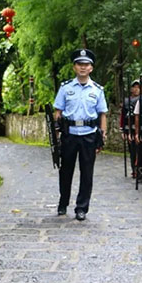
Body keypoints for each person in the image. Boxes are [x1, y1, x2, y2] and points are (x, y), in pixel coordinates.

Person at [54, 48, 108, 221]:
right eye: (80, 64)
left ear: (91, 68)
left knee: (87, 172)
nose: (83, 67)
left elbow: (102, 114)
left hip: (89, 135)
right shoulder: (65, 88)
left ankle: (82, 208)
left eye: (86, 64)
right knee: (66, 171)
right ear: (74, 67)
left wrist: (102, 136)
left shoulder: (97, 90)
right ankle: (63, 203)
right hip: (69, 134)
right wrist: (56, 134)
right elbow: (58, 112)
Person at [121, 79, 140, 178]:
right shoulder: (127, 101)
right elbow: (123, 117)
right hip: (130, 129)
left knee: (139, 151)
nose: (136, 89)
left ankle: (140, 169)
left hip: (139, 129)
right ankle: (134, 169)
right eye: (134, 87)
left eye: (138, 87)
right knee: (132, 151)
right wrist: (123, 130)